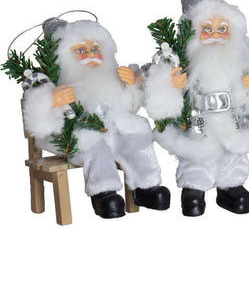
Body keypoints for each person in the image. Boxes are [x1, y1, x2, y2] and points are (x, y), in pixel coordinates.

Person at [144, 0, 249, 216]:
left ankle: (231, 186)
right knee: (197, 155)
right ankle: (194, 187)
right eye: (207, 28)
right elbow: (151, 79)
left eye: (222, 28)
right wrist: (170, 83)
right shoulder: (180, 60)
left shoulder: (243, 60)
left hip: (233, 119)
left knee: (233, 155)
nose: (215, 34)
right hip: (198, 121)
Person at [22, 18, 170, 219]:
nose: (91, 55)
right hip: (71, 136)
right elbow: (37, 120)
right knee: (93, 143)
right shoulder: (54, 81)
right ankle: (103, 193)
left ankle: (146, 187)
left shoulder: (109, 77)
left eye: (95, 48)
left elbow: (129, 108)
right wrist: (53, 101)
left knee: (137, 135)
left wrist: (131, 85)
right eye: (81, 50)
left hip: (113, 130)